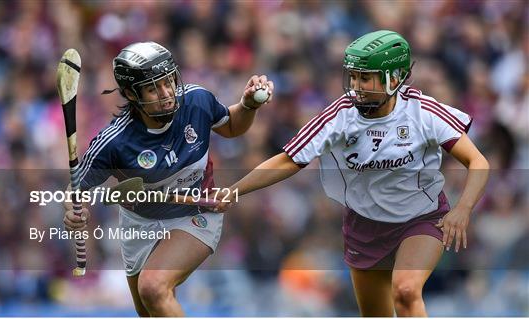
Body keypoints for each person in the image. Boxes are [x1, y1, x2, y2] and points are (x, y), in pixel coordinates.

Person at [215, 30, 489, 316]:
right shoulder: (340, 115)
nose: (356, 86)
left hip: (422, 218)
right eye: (354, 77)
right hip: (364, 227)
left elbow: (478, 162)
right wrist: (235, 189)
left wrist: (463, 209)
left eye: (366, 78)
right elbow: (288, 160)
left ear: (394, 78)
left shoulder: (423, 112)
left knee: (406, 292)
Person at [63, 41, 274, 316]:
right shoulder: (113, 143)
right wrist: (73, 213)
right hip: (139, 224)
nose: (166, 94)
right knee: (150, 309)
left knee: (153, 287)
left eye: (168, 82)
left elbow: (232, 126)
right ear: (130, 93)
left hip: (197, 211)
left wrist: (247, 107)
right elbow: (74, 192)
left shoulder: (197, 101)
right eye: (153, 88)